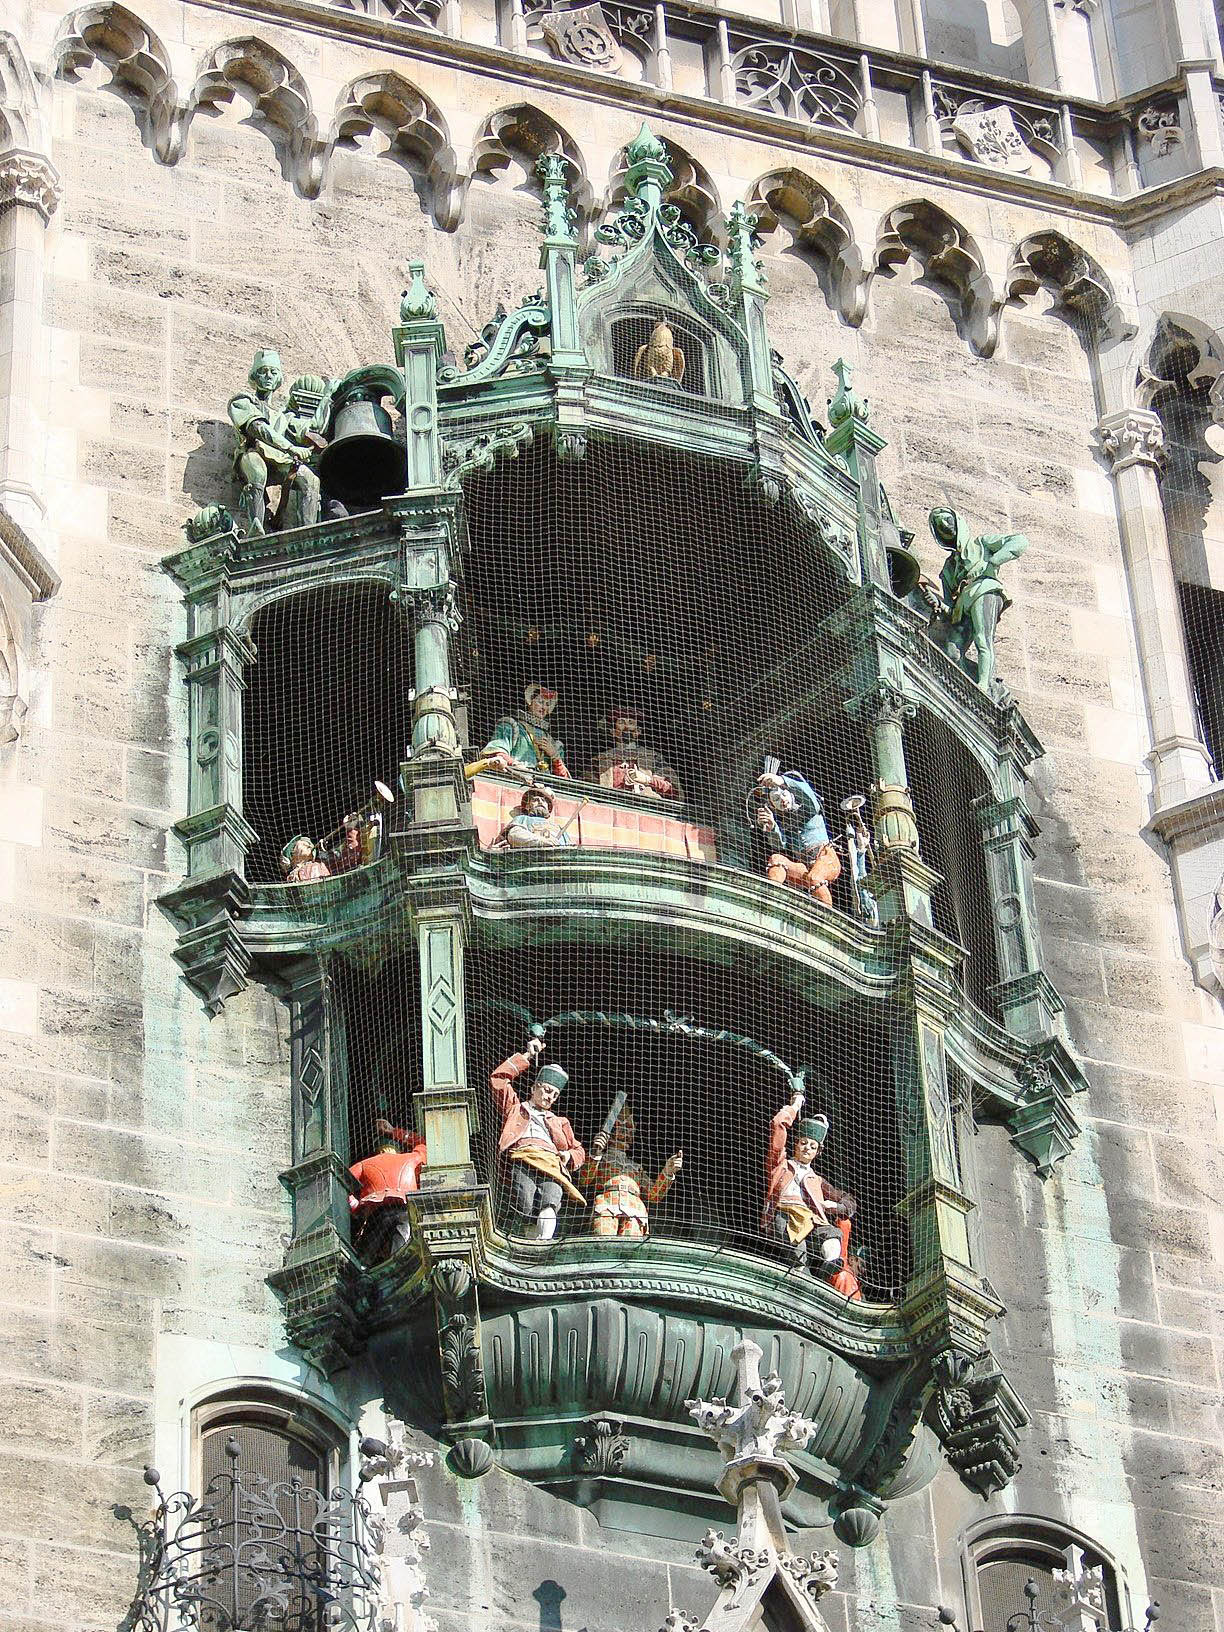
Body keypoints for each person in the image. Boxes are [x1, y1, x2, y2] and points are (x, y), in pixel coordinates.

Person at [925, 506, 1028, 698]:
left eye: (947, 520)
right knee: (952, 652)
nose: (945, 525)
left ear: (958, 522)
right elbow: (951, 610)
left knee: (982, 638)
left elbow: (1019, 541)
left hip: (984, 589)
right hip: (963, 606)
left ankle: (984, 686)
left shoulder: (981, 544)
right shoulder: (948, 570)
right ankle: (969, 686)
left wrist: (994, 561)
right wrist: (938, 604)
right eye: (940, 525)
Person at [489, 1036, 586, 1240]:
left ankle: (544, 1241)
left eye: (555, 1095)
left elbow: (579, 1150)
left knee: (550, 1199)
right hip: (523, 1158)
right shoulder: (515, 1109)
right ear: (534, 1088)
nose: (550, 1097)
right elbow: (498, 1080)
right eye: (547, 1090)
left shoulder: (560, 1121)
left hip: (551, 1164)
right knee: (524, 1201)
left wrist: (568, 1155)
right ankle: (532, 1243)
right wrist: (527, 1056)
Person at [762, 1086, 856, 1279]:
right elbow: (778, 1124)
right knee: (799, 1257)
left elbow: (848, 1201)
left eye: (812, 1146)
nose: (807, 1149)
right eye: (803, 1143)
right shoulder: (780, 1166)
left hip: (812, 1220)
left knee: (831, 1234)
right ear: (796, 1144)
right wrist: (795, 1105)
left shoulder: (817, 1180)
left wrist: (836, 1206)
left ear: (817, 1152)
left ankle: (828, 1265)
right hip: (785, 1216)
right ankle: (802, 1275)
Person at [228, 349, 322, 536]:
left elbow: (313, 426)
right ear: (255, 376)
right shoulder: (242, 402)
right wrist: (291, 448)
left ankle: (308, 532)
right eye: (263, 372)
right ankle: (256, 526)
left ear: (279, 377)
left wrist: (328, 399)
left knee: (311, 479)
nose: (268, 376)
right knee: (257, 471)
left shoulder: (283, 415)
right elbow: (258, 428)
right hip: (253, 452)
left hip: (280, 459)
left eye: (273, 372)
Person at [579, 1105, 682, 1237]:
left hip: (635, 1209)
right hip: (606, 1203)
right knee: (603, 1238)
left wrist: (667, 1171)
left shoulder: (635, 1167)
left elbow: (654, 1195)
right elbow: (584, 1179)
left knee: (629, 1243)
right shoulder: (602, 1159)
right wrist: (595, 1154)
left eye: (630, 1131)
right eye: (623, 1129)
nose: (627, 1134)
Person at [749, 760, 842, 905]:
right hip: (804, 866)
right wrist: (772, 827)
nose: (782, 800)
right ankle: (771, 902)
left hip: (825, 858)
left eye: (784, 794)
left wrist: (782, 780)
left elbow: (808, 795)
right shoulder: (786, 824)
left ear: (791, 793)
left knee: (815, 878)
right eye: (776, 799)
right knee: (776, 860)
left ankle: (827, 914)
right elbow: (779, 845)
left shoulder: (809, 807)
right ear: (773, 806)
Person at [348, 1119, 427, 1260]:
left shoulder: (364, 1164)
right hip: (406, 1210)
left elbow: (342, 1182)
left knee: (365, 1259)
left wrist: (356, 1206)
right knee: (401, 1256)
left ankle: (363, 1267)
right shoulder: (411, 1159)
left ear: (378, 1150)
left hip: (377, 1214)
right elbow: (424, 1143)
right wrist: (393, 1132)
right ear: (397, 1149)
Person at [589, 707, 682, 800]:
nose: (626, 727)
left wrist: (647, 780)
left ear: (638, 732)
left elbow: (674, 791)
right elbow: (588, 786)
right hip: (610, 804)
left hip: (646, 805)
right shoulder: (601, 759)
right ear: (613, 732)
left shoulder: (653, 757)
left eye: (631, 723)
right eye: (621, 722)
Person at [483, 684, 571, 778]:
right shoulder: (511, 727)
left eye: (547, 704)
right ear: (530, 701)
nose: (544, 708)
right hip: (515, 779)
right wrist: (516, 765)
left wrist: (554, 755)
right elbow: (496, 754)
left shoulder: (551, 742)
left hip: (544, 782)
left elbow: (564, 778)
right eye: (540, 702)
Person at [496, 782, 573, 849]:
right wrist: (542, 842)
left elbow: (570, 846)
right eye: (535, 800)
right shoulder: (523, 819)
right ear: (527, 806)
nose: (540, 802)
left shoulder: (559, 827)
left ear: (548, 807)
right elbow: (514, 835)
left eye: (544, 801)